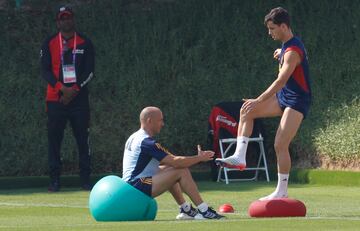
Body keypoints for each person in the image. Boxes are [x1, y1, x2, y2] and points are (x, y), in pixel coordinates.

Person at [216, 7, 311, 201]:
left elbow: (281, 81)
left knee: (280, 144)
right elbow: (285, 56)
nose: (270, 32)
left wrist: (259, 99)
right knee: (247, 111)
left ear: (284, 26)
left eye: (272, 28)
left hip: (297, 101)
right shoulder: (286, 46)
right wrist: (280, 52)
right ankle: (239, 157)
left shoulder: (292, 51)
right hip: (284, 96)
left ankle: (282, 191)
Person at [122, 107, 225, 220]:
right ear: (149, 120)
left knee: (171, 169)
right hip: (136, 187)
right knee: (181, 170)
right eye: (160, 120)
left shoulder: (134, 137)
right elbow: (176, 162)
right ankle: (204, 211)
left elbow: (170, 162)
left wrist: (193, 159)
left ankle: (185, 209)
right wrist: (199, 158)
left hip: (130, 185)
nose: (162, 124)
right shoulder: (146, 142)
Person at [40, 6, 95, 192]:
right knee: (54, 141)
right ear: (58, 22)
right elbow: (45, 70)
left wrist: (75, 89)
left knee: (82, 139)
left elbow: (90, 71)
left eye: (69, 18)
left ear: (73, 20)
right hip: (56, 99)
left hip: (79, 101)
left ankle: (86, 180)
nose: (66, 21)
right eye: (62, 18)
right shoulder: (49, 42)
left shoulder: (85, 42)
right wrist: (61, 88)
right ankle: (54, 181)